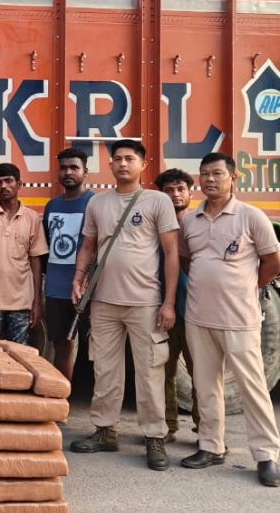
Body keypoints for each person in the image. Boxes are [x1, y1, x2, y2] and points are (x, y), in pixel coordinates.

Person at [69, 140, 179, 471]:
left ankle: (154, 437)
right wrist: (78, 277)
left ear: (143, 165)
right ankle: (105, 430)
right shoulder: (97, 203)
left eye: (129, 159)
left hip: (145, 301)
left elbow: (171, 252)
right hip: (103, 300)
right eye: (116, 159)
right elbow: (88, 246)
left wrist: (169, 302)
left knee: (149, 371)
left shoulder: (157, 201)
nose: (121, 164)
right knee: (105, 369)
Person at [178, 153, 280, 487]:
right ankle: (211, 446)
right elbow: (186, 259)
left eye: (217, 173)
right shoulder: (191, 221)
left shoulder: (251, 216)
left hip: (240, 319)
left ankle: (266, 456)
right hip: (199, 317)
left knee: (252, 388)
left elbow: (273, 259)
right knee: (205, 386)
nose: (209, 179)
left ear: (233, 177)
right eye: (204, 173)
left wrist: (250, 286)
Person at [0, 163, 48, 344]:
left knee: (20, 357)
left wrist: (37, 301)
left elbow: (35, 260)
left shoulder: (32, 217)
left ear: (19, 184)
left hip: (21, 302)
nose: (4, 186)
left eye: (9, 181)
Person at [154, 168, 199, 440]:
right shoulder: (153, 229)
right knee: (163, 374)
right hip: (164, 313)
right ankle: (167, 428)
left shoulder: (200, 225)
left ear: (190, 193)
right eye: (169, 190)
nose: (175, 195)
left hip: (197, 315)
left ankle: (206, 430)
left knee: (202, 378)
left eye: (180, 189)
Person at [42, 148, 94, 380]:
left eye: (74, 167)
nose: (68, 172)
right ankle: (61, 403)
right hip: (56, 290)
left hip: (89, 290)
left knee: (99, 350)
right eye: (63, 168)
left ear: (85, 171)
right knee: (62, 347)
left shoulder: (95, 203)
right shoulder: (52, 206)